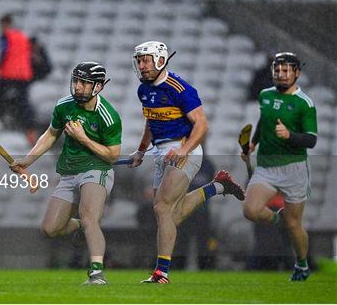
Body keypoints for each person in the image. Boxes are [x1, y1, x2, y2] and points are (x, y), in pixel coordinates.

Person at [128, 41, 245, 283]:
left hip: (186, 150)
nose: (141, 65)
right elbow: (151, 122)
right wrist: (140, 151)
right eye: (139, 60)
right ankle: (218, 187)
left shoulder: (180, 88)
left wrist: (183, 150)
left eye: (146, 59)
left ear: (161, 60)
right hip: (161, 152)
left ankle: (161, 272)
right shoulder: (143, 89)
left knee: (161, 208)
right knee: (173, 215)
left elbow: (202, 125)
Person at [10, 62, 122, 285]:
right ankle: (82, 226)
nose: (78, 87)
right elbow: (50, 135)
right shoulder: (64, 106)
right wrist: (28, 160)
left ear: (98, 87)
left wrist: (84, 139)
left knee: (90, 217)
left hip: (97, 168)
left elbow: (112, 156)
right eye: (76, 81)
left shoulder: (108, 115)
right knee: (50, 228)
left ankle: (97, 273)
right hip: (69, 172)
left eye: (84, 83)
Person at [242, 52, 317, 281]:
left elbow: (311, 140)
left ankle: (302, 265)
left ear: (297, 73)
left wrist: (290, 135)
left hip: (293, 168)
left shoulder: (305, 104)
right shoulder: (265, 95)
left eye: (286, 70)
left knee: (295, 225)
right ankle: (278, 219)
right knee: (251, 210)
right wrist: (253, 144)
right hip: (267, 167)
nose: (281, 75)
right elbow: (263, 122)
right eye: (277, 70)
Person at [0, 13, 37, 144]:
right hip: (23, 74)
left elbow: (4, 53)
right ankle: (30, 130)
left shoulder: (6, 36)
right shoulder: (22, 36)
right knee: (23, 102)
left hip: (10, 73)